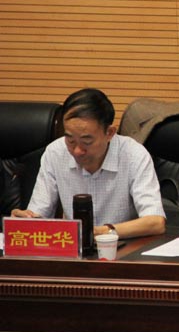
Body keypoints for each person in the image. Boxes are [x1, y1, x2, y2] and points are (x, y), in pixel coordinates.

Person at [12, 88, 166, 239]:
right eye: (70, 140)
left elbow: (155, 222)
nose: (77, 151)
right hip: (74, 249)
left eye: (87, 141)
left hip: (123, 247)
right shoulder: (55, 153)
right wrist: (26, 220)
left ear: (109, 133)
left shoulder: (133, 155)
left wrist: (101, 232)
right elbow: (39, 213)